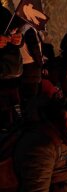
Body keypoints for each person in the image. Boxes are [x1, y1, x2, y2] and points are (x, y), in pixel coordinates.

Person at [0, 3, 24, 132]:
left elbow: (15, 32)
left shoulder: (5, 13)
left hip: (9, 74)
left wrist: (19, 39)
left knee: (9, 118)